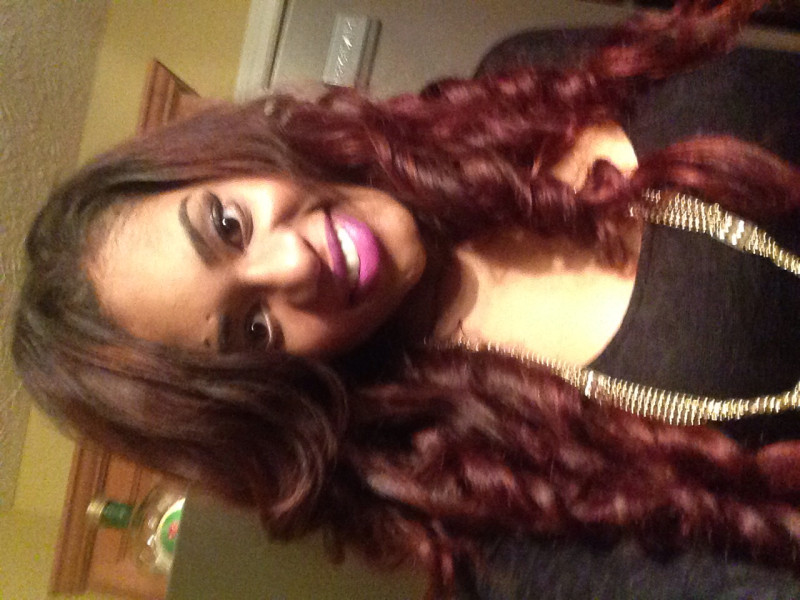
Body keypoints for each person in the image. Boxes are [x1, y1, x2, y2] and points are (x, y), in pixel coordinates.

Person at [12, 0, 800, 597]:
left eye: (228, 224)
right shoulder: (502, 519)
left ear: (231, 159)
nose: (294, 263)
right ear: (275, 390)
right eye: (251, 329)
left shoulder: (524, 80)